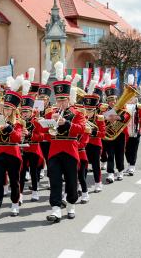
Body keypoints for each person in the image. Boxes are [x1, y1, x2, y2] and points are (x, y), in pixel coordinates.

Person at [46, 69, 85, 223]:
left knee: (71, 181)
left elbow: (82, 129)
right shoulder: (52, 112)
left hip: (70, 150)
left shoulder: (77, 113)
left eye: (63, 100)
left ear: (69, 99)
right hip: (54, 151)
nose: (61, 103)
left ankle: (71, 204)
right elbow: (46, 130)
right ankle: (55, 209)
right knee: (54, 180)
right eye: (58, 99)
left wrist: (67, 123)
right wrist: (47, 122)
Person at [0, 79, 24, 220]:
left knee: (14, 182)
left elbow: (18, 138)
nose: (6, 111)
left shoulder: (18, 122)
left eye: (8, 109)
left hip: (13, 155)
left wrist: (8, 127)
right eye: (4, 108)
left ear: (13, 110)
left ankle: (15, 203)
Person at [84, 80, 106, 193]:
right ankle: (81, 185)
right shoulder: (82, 118)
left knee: (96, 164)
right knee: (83, 165)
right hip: (84, 143)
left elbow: (103, 134)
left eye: (90, 110)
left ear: (94, 109)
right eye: (86, 110)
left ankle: (98, 183)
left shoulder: (99, 118)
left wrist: (94, 133)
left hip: (96, 144)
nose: (88, 112)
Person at [124, 97, 141, 176]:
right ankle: (129, 164)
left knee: (133, 150)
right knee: (126, 150)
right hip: (125, 133)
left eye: (132, 97)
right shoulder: (123, 106)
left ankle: (132, 166)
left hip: (135, 132)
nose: (130, 98)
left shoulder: (139, 107)